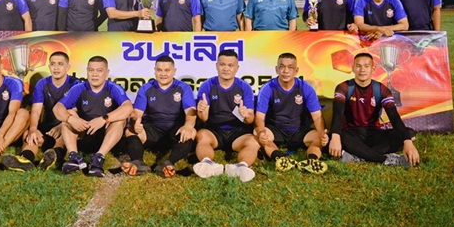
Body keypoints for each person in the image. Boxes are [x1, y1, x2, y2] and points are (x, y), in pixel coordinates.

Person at [328, 53, 420, 167]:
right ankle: (384, 159)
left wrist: (407, 142)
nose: (362, 70)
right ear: (353, 68)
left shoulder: (382, 90)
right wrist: (335, 136)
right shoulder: (344, 87)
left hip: (373, 133)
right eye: (358, 66)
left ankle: (357, 156)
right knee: (334, 136)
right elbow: (337, 114)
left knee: (408, 133)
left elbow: (394, 117)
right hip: (350, 133)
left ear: (373, 69)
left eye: (366, 66)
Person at [53, 56, 133, 177]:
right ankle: (74, 157)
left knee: (120, 120)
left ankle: (98, 158)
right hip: (85, 132)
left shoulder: (113, 88)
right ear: (87, 71)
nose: (94, 74)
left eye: (99, 71)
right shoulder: (79, 88)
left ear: (107, 73)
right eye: (91, 70)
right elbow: (57, 108)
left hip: (106, 135)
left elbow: (128, 107)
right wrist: (71, 119)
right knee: (68, 115)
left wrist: (103, 119)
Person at [0, 51, 81, 171]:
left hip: (65, 125)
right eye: (53, 64)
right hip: (47, 127)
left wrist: (60, 126)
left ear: (67, 67)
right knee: (29, 134)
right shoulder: (42, 83)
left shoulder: (75, 84)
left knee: (66, 132)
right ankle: (25, 159)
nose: (56, 68)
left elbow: (76, 111)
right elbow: (36, 110)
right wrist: (33, 129)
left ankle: (54, 156)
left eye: (60, 64)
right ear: (49, 67)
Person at [121, 56, 197, 178]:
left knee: (191, 131)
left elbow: (191, 111)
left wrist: (188, 126)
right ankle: (138, 162)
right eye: (159, 70)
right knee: (130, 131)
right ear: (155, 71)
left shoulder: (183, 88)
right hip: (152, 130)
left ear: (174, 71)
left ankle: (168, 163)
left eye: (167, 70)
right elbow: (137, 112)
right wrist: (136, 122)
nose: (163, 74)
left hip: (174, 131)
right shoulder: (146, 88)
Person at [255, 53, 328, 174]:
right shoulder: (267, 88)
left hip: (298, 130)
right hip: (275, 131)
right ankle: (280, 158)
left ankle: (311, 161)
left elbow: (317, 116)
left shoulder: (306, 88)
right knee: (257, 133)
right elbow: (259, 117)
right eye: (282, 67)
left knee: (318, 136)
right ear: (276, 69)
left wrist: (322, 134)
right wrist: (262, 132)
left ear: (296, 70)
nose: (286, 71)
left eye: (290, 67)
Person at [193, 50, 259, 182]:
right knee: (201, 135)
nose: (226, 69)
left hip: (238, 132)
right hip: (214, 132)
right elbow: (203, 118)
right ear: (216, 66)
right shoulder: (207, 86)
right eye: (222, 64)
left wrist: (246, 115)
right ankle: (207, 164)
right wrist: (202, 110)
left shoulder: (244, 87)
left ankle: (241, 167)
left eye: (230, 65)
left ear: (237, 68)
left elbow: (250, 119)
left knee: (253, 142)